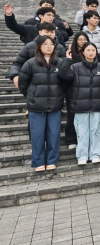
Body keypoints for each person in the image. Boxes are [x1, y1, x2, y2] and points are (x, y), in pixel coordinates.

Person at [59, 42, 100, 165]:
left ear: (96, 52)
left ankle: (95, 154)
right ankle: (82, 156)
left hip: (97, 106)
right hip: (80, 106)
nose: (91, 53)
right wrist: (67, 61)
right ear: (83, 52)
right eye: (88, 50)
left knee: (95, 131)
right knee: (82, 132)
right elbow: (64, 76)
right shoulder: (75, 67)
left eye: (93, 50)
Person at [18, 36, 65, 171]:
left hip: (55, 105)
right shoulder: (30, 63)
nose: (49, 47)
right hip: (36, 106)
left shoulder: (60, 63)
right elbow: (23, 83)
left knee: (54, 134)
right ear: (39, 46)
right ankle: (38, 161)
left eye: (51, 44)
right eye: (45, 44)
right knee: (37, 135)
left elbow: (65, 83)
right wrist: (31, 96)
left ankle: (52, 160)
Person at [9, 23, 66, 89]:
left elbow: (64, 66)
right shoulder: (29, 47)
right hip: (34, 86)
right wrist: (15, 75)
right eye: (46, 32)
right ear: (40, 32)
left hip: (55, 87)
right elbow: (18, 63)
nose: (49, 34)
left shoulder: (60, 48)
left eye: (52, 32)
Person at [66, 32, 91, 150]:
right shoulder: (71, 53)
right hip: (72, 88)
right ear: (75, 41)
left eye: (84, 39)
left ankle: (84, 139)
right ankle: (71, 139)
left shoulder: (91, 52)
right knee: (72, 115)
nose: (82, 41)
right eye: (80, 39)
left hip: (87, 87)